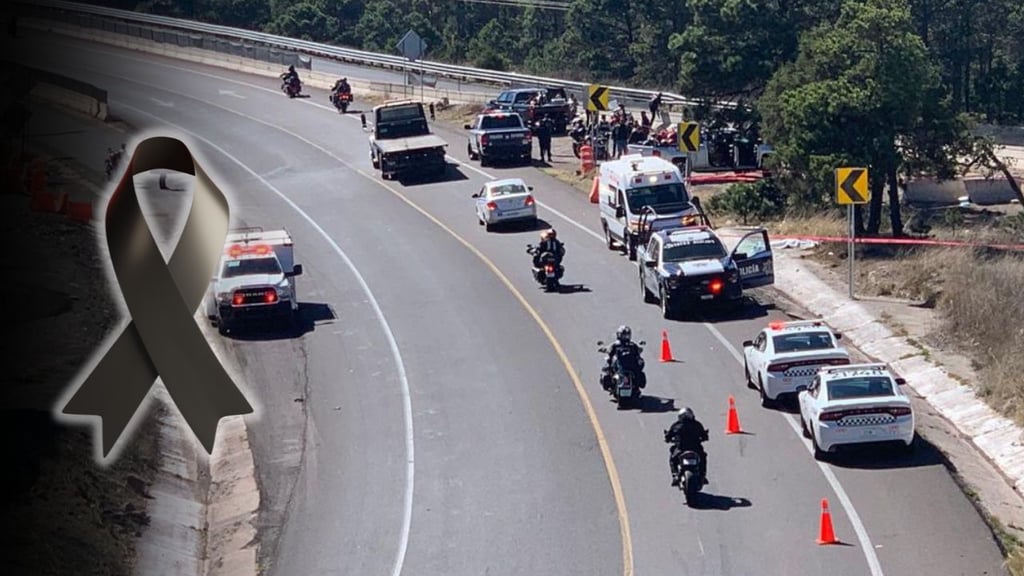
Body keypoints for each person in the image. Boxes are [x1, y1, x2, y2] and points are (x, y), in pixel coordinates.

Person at [665, 407, 709, 487]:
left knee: (673, 459)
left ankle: (675, 475)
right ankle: (703, 475)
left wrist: (668, 438)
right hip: (696, 449)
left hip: (681, 449)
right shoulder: (697, 425)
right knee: (703, 458)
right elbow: (704, 436)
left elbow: (668, 436)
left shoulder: (676, 425)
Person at [602, 325, 646, 390]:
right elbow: (609, 353)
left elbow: (638, 353)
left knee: (639, 369)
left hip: (630, 367)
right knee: (607, 368)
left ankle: (635, 385)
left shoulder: (632, 345)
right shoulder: (616, 345)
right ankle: (612, 384)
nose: (625, 337)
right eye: (623, 335)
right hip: (619, 367)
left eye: (626, 335)